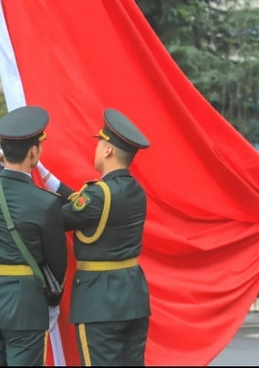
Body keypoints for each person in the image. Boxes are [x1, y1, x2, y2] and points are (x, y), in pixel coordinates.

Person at [37, 108, 151, 366]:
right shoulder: (135, 191)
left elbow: (57, 218)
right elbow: (82, 204)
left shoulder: (99, 195)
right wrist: (45, 175)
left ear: (108, 150)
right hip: (133, 299)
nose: (97, 147)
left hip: (100, 303)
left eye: (100, 141)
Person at [0, 106, 68, 365]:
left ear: (2, 152)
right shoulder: (46, 203)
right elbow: (57, 263)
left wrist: (0, 158)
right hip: (25, 307)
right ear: (34, 152)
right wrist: (53, 301)